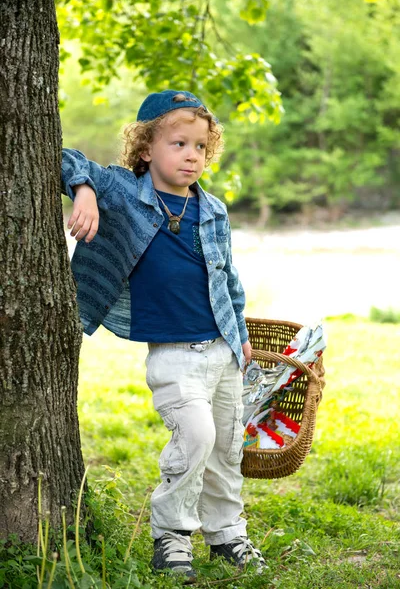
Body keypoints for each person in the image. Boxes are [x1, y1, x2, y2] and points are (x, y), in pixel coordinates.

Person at [61, 89, 267, 582]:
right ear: (146, 147)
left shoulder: (212, 209)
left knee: (224, 449)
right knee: (194, 436)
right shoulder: (124, 192)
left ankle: (227, 532)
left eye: (200, 146)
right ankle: (172, 535)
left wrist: (239, 332)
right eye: (178, 144)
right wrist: (85, 191)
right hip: (174, 353)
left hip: (221, 347)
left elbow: (227, 278)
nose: (192, 155)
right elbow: (63, 157)